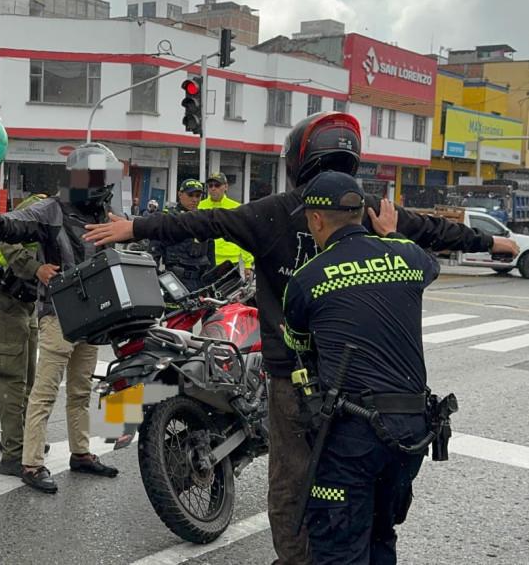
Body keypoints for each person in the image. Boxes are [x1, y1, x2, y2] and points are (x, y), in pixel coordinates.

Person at [81, 111, 520, 565]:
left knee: (291, 482)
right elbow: (432, 230)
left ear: (298, 160)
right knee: (353, 485)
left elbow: (201, 223)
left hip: (293, 379)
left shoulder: (272, 212)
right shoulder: (366, 210)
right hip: (358, 391)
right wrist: (491, 244)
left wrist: (134, 227)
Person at [282, 172, 439, 564]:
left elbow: (300, 346)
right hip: (411, 433)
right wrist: (391, 235)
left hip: (353, 435)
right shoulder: (407, 256)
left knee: (339, 548)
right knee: (381, 534)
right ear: (362, 215)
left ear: (317, 219)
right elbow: (430, 266)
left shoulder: (306, 280)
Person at [0, 142, 123, 494]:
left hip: (93, 317)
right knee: (45, 393)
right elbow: (20, 222)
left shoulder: (104, 214)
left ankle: (81, 452)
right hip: (59, 313)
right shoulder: (52, 210)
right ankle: (31, 462)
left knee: (82, 389)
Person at [0, 193, 58, 477]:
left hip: (28, 301)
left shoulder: (78, 216)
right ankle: (12, 452)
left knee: (29, 376)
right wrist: (36, 268)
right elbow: (7, 235)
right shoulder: (40, 205)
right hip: (5, 296)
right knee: (11, 376)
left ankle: (24, 440)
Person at [148, 178, 213, 292]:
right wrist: (154, 281)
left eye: (198, 196)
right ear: (180, 194)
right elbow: (154, 252)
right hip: (175, 282)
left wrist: (211, 286)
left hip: (200, 283)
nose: (194, 200)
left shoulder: (204, 220)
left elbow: (211, 255)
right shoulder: (168, 218)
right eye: (190, 195)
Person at [198, 172, 254, 271]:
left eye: (217, 185)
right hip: (204, 260)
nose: (213, 188)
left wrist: (248, 264)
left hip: (230, 261)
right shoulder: (200, 207)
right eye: (210, 186)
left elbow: (244, 236)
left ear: (226, 187)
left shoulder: (236, 208)